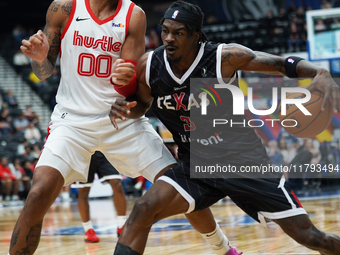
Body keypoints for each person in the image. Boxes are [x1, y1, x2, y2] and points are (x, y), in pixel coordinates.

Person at [9, 0, 240, 254]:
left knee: (176, 183)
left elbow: (133, 86)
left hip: (120, 119)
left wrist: (125, 80)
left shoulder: (133, 15)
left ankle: (223, 248)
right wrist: (40, 59)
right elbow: (43, 72)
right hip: (72, 122)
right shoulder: (63, 8)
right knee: (38, 192)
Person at [109, 1, 340, 254]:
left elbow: (280, 65)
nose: (168, 38)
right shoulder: (149, 65)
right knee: (143, 209)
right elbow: (142, 104)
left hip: (241, 161)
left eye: (179, 33)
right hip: (195, 165)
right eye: (165, 30)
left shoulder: (224, 57)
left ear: (196, 35)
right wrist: (125, 109)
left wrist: (320, 72)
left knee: (309, 236)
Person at [71, 151, 127, 243]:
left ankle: (121, 225)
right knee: (83, 191)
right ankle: (88, 230)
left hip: (104, 150)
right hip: (84, 152)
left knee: (117, 183)